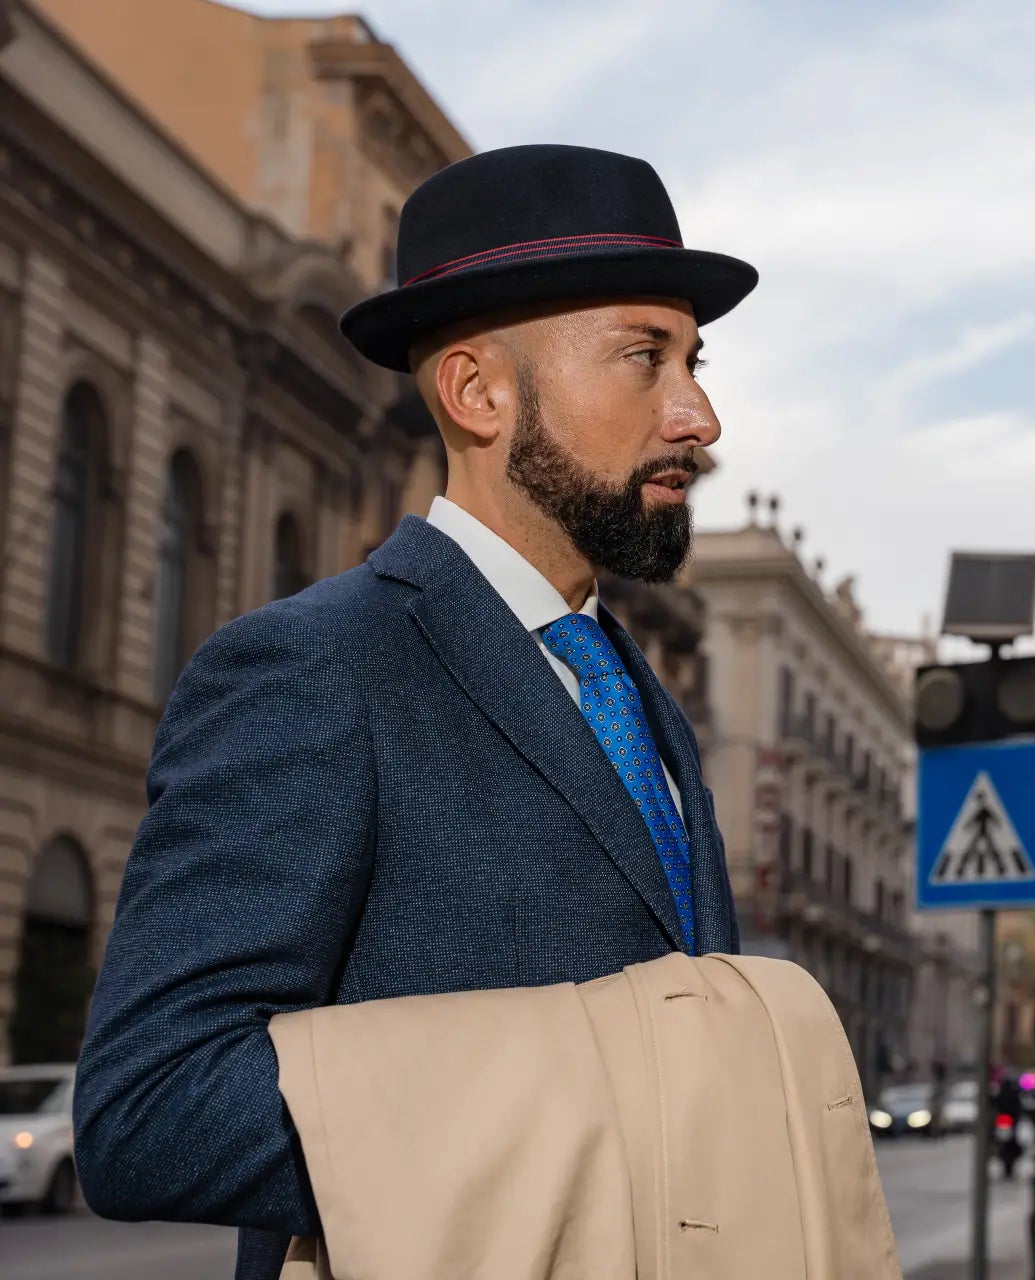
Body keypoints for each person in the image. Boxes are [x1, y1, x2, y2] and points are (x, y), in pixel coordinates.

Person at [72, 144, 757, 1280]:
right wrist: (592, 1114)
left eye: (694, 360)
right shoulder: (311, 670)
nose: (701, 414)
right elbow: (155, 1108)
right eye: (647, 357)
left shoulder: (642, 699)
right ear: (479, 392)